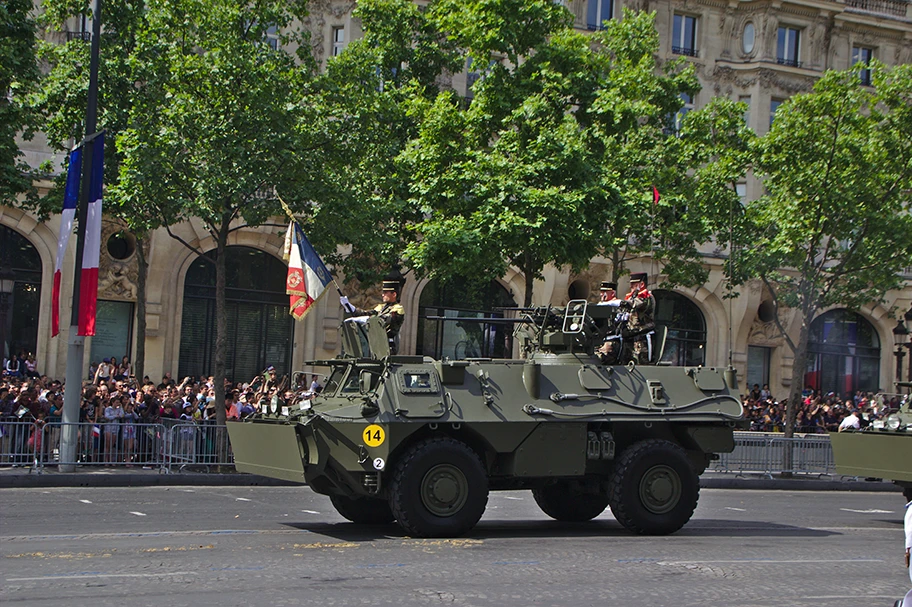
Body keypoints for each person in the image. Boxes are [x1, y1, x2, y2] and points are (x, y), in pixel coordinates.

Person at [340, 278, 406, 355]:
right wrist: (351, 308)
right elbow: (366, 313)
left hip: (388, 345)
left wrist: (368, 319)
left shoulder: (398, 309)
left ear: (394, 294)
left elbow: (384, 320)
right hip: (375, 345)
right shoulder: (380, 307)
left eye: (385, 292)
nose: (382, 294)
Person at [621, 272, 656, 365]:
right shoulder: (633, 297)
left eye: (634, 284)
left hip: (642, 337)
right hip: (631, 336)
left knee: (641, 364)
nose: (631, 286)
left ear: (642, 284)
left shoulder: (646, 297)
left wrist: (620, 303)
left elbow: (634, 304)